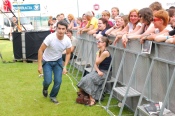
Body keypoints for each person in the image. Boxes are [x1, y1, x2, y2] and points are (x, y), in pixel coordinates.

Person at [38, 20, 72, 104]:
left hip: (58, 62)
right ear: (56, 28)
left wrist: (65, 66)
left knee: (58, 81)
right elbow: (40, 50)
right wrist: (39, 65)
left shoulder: (67, 40)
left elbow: (68, 53)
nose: (60, 31)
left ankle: (53, 96)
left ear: (66, 30)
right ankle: (45, 88)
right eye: (59, 28)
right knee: (47, 81)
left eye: (63, 29)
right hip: (47, 62)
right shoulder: (50, 38)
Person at [77, 36, 111, 106]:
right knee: (85, 77)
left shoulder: (105, 53)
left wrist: (97, 54)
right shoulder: (99, 51)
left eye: (99, 41)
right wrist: (98, 71)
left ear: (104, 43)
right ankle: (82, 94)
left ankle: (92, 99)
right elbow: (95, 65)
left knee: (90, 79)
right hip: (99, 71)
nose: (97, 43)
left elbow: (97, 62)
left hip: (105, 73)